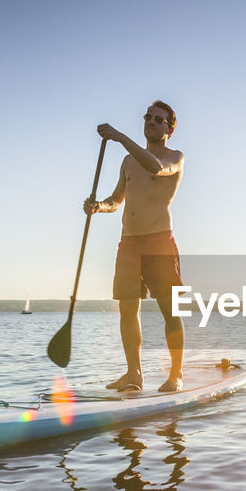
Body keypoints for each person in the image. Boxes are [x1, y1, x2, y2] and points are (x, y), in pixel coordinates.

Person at [83, 101, 185, 392]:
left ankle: (176, 375)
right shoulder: (128, 162)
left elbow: (154, 166)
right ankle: (134, 374)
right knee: (128, 308)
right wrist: (98, 206)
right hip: (129, 242)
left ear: (170, 128)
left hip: (159, 241)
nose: (151, 122)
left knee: (169, 310)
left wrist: (120, 137)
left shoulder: (175, 157)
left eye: (159, 119)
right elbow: (117, 200)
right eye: (148, 117)